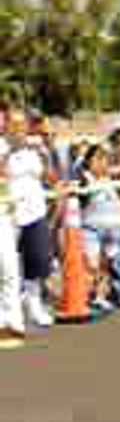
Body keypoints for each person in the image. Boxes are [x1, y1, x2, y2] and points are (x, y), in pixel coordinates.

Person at [5, 109, 55, 328]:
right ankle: (9, 312)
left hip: (35, 211)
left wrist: (46, 154)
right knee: (8, 267)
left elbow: (48, 176)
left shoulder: (34, 149)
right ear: (5, 126)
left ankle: (34, 306)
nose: (19, 130)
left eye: (22, 125)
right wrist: (10, 150)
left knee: (38, 259)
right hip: (9, 215)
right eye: (14, 125)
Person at [79, 143, 120, 312]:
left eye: (105, 159)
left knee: (109, 265)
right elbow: (82, 196)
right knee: (92, 264)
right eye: (98, 159)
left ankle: (103, 296)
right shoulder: (85, 178)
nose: (103, 163)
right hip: (92, 229)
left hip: (113, 229)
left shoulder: (111, 179)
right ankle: (90, 295)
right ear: (89, 162)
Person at [0, 136, 25, 343]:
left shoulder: (4, 145)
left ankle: (14, 323)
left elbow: (5, 178)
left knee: (10, 269)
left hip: (4, 216)